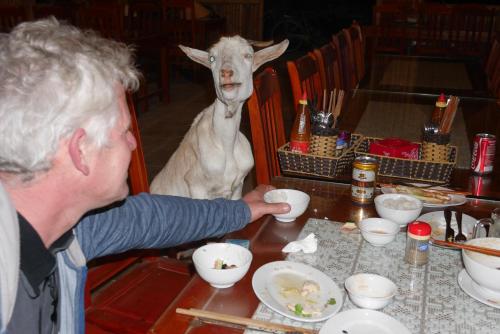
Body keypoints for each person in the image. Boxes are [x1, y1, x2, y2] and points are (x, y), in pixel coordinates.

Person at [0, 18, 290, 334]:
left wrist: (242, 210)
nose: (135, 142)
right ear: (79, 151)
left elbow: (150, 217)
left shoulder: (72, 228)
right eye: (125, 131)